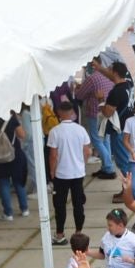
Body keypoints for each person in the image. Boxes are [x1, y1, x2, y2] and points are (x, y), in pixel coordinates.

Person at [45, 99, 93, 244]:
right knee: (78, 204)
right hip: (77, 173)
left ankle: (60, 234)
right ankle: (79, 232)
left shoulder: (55, 132)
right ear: (72, 112)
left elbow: (53, 155)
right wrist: (82, 164)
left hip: (61, 174)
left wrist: (52, 171)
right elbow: (87, 151)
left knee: (59, 205)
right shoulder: (81, 130)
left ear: (59, 113)